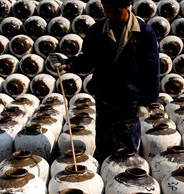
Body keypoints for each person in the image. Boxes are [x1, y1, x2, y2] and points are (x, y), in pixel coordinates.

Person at [49, 0, 160, 164]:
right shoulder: (97, 31)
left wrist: (147, 101)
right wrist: (69, 63)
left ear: (128, 5)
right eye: (107, 9)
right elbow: (88, 60)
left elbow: (151, 68)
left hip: (128, 100)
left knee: (126, 152)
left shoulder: (143, 32)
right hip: (105, 98)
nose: (111, 14)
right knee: (104, 148)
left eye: (116, 10)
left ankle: (125, 183)